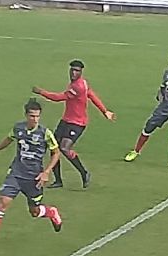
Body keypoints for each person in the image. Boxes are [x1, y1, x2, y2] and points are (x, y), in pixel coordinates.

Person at [0, 99, 62, 255]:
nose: (35, 119)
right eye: (32, 116)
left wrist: (46, 172)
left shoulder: (45, 133)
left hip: (34, 178)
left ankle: (51, 212)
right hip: (16, 173)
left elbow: (56, 152)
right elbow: (9, 139)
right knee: (2, 203)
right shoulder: (18, 128)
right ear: (26, 115)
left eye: (37, 116)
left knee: (34, 212)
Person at [32, 60, 116, 189]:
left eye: (76, 71)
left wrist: (41, 92)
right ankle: (58, 181)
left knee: (65, 148)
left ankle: (84, 172)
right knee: (54, 147)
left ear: (81, 72)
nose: (73, 73)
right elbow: (91, 95)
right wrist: (105, 111)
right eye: (72, 70)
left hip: (77, 123)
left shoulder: (78, 86)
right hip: (66, 120)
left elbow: (58, 97)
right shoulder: (82, 83)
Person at [124, 52, 168, 170]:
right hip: (163, 107)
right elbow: (162, 87)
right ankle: (136, 151)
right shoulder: (167, 74)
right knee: (149, 127)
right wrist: (159, 95)